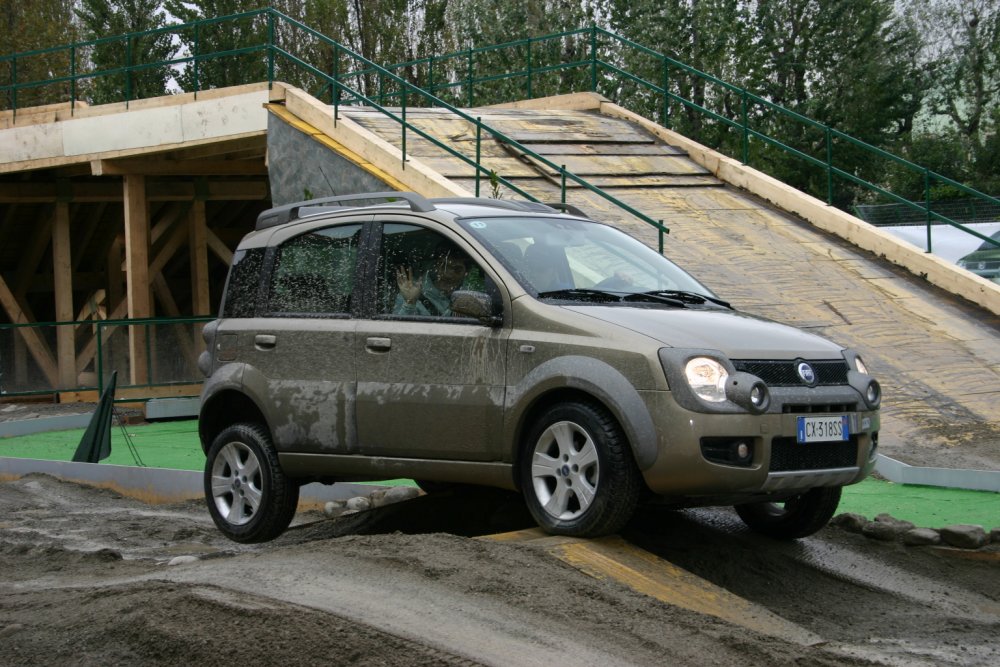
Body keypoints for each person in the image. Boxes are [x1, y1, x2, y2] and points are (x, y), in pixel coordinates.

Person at [393, 241, 470, 316]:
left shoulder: (471, 297)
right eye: (443, 266)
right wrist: (410, 303)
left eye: (457, 270)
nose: (448, 275)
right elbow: (396, 327)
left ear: (466, 273)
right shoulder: (409, 292)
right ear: (435, 266)